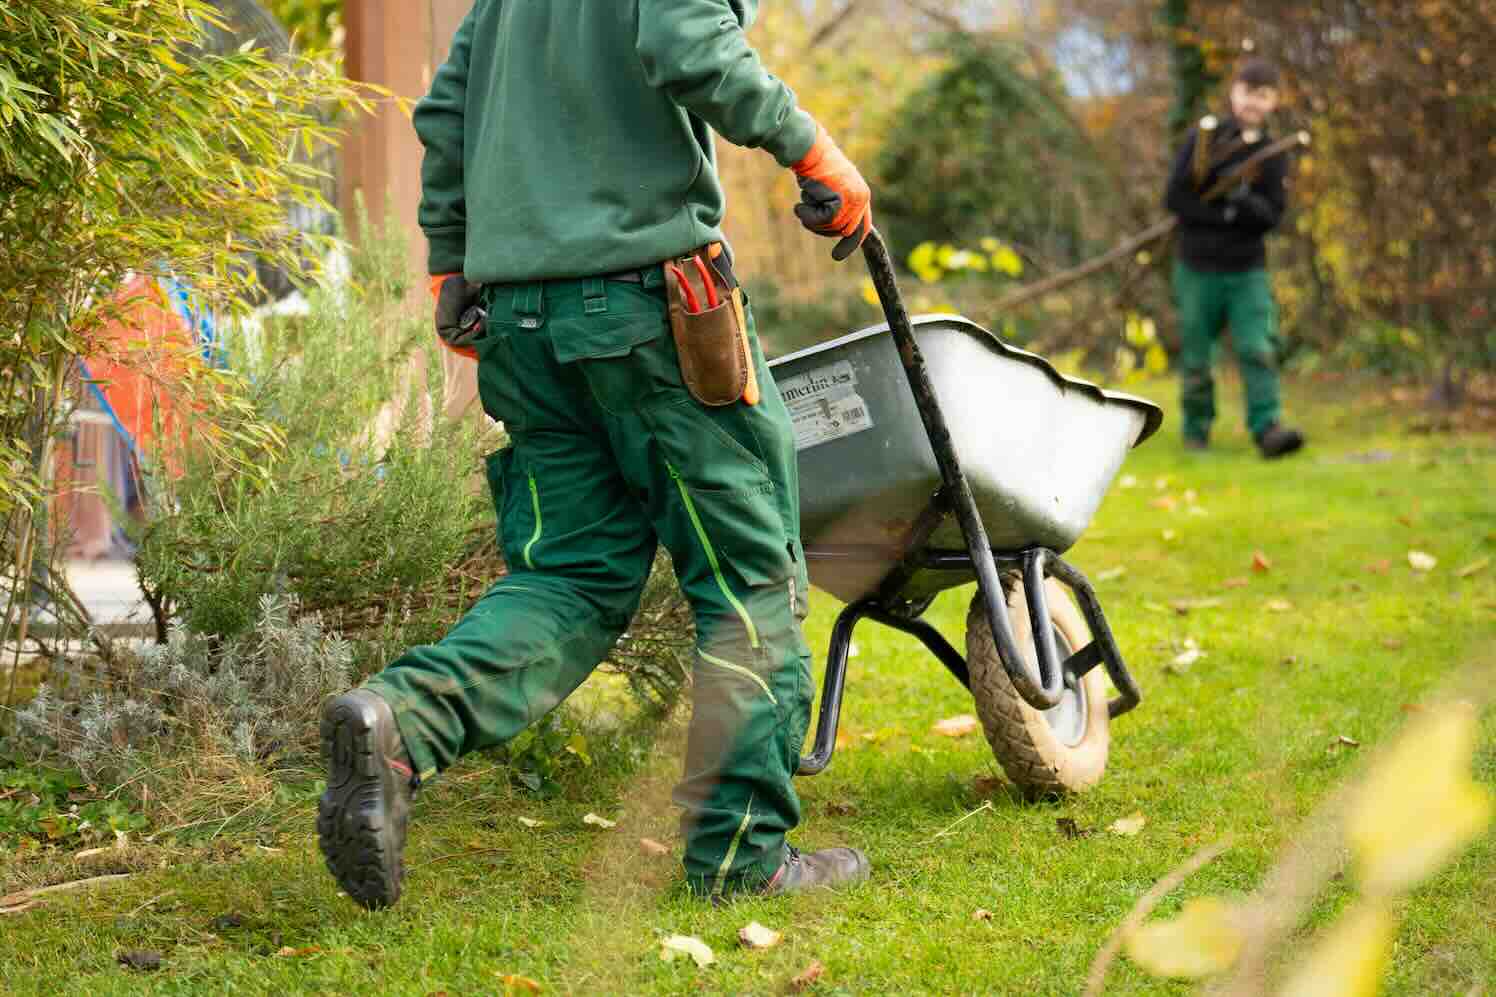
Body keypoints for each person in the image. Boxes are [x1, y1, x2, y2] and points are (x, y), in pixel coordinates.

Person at [317, 0, 875, 910]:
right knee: (749, 584)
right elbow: (687, 42)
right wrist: (812, 149)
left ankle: (401, 724)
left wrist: (453, 265)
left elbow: (447, 111)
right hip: (651, 315)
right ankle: (743, 856)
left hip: (520, 324)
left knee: (567, 576)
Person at [1165, 57, 1305, 458]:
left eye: (1263, 96)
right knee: (1196, 355)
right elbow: (1175, 198)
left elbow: (1272, 215)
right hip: (1196, 267)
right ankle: (1196, 432)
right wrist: (1224, 213)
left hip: (1247, 271)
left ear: (1274, 102)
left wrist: (1245, 207)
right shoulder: (1205, 139)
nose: (1253, 103)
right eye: (1248, 92)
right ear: (1234, 92)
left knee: (1257, 347)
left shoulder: (1274, 152)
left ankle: (1267, 429)